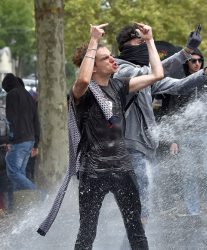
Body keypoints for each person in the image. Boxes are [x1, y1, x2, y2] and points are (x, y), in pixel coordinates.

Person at [38, 23, 163, 250]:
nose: (113, 60)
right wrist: (93, 41)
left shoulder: (120, 86)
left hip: (123, 169)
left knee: (136, 230)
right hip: (93, 173)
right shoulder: (81, 93)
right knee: (87, 233)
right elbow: (84, 80)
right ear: (93, 67)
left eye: (111, 56)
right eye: (106, 59)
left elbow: (157, 74)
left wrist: (150, 40)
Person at [113, 23, 207, 223]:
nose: (145, 47)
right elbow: (157, 72)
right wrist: (183, 51)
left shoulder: (145, 74)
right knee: (141, 209)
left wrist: (205, 71)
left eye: (145, 43)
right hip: (130, 148)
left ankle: (132, 243)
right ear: (127, 45)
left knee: (143, 209)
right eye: (141, 42)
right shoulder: (122, 70)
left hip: (147, 147)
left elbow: (179, 86)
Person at [155, 49, 207, 223]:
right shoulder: (180, 84)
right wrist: (173, 140)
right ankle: (194, 213)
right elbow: (171, 112)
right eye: (193, 61)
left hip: (206, 134)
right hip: (184, 135)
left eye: (200, 60)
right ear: (187, 63)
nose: (197, 63)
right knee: (189, 175)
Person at [1, 73, 40, 207]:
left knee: (13, 172)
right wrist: (36, 143)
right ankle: (22, 206)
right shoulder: (29, 96)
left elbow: (11, 119)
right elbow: (36, 121)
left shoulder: (12, 95)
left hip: (18, 139)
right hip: (30, 139)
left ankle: (40, 195)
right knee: (20, 173)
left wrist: (9, 140)